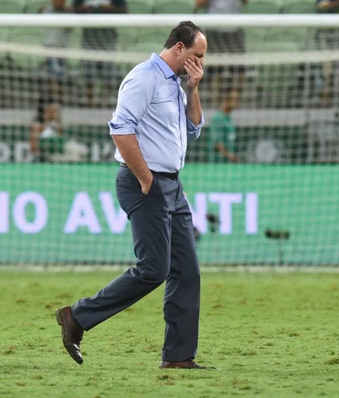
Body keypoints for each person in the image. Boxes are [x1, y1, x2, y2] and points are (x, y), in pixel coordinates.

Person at [55, 21, 209, 370]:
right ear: (180, 48)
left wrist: (194, 89)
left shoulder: (176, 84)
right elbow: (120, 130)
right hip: (146, 181)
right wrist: (146, 179)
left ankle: (179, 356)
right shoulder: (144, 77)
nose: (201, 63)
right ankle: (76, 316)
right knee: (154, 269)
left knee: (187, 271)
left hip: (172, 184)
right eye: (198, 56)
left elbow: (194, 130)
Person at [73, 0, 127, 107]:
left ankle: (104, 104)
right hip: (89, 41)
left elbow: (124, 11)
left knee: (108, 76)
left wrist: (110, 8)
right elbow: (74, 9)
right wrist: (84, 9)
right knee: (89, 76)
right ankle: (90, 105)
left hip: (108, 41)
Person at [194, 0, 247, 96]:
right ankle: (217, 102)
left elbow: (246, 2)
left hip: (234, 29)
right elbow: (199, 4)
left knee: (240, 67)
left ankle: (235, 101)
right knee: (216, 69)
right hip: (214, 29)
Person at [29, 96, 88, 163]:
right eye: (55, 110)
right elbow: (32, 148)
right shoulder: (37, 126)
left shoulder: (54, 126)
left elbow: (60, 141)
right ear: (47, 110)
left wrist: (59, 123)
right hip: (43, 160)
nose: (57, 113)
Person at [39, 0, 71, 103]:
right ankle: (55, 100)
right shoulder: (47, 11)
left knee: (60, 76)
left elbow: (70, 28)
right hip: (50, 48)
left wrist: (70, 13)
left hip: (62, 48)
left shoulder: (68, 13)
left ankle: (58, 100)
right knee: (54, 75)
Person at [206, 86, 240, 163]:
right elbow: (216, 143)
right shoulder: (218, 118)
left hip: (227, 165)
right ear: (226, 100)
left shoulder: (228, 118)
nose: (236, 102)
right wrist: (231, 157)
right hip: (217, 164)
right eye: (234, 99)